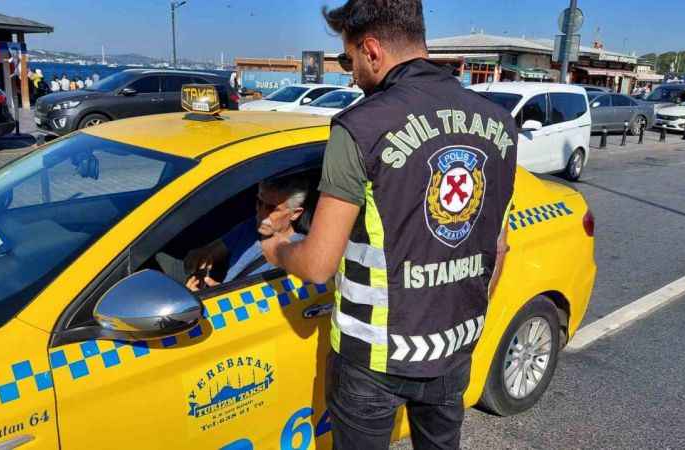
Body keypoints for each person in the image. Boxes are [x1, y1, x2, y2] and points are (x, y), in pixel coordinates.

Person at [261, 1, 517, 449]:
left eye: (349, 59)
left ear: (373, 50)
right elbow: (497, 249)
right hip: (454, 350)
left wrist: (277, 248)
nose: (350, 73)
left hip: (373, 361)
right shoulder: (499, 124)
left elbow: (319, 264)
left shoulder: (360, 126)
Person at [175, 175, 309, 292]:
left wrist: (219, 295)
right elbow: (210, 251)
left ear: (295, 213)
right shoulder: (250, 228)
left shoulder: (301, 254)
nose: (261, 213)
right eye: (259, 203)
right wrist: (200, 262)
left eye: (272, 208)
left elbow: (273, 305)